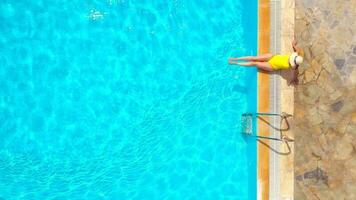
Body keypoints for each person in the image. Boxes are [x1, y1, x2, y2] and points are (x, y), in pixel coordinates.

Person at [228, 41, 303, 85]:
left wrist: (294, 79)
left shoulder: (294, 67)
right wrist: (294, 45)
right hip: (272, 57)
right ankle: (236, 59)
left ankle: (236, 63)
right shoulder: (297, 56)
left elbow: (296, 73)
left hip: (271, 66)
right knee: (254, 58)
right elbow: (298, 51)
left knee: (255, 63)